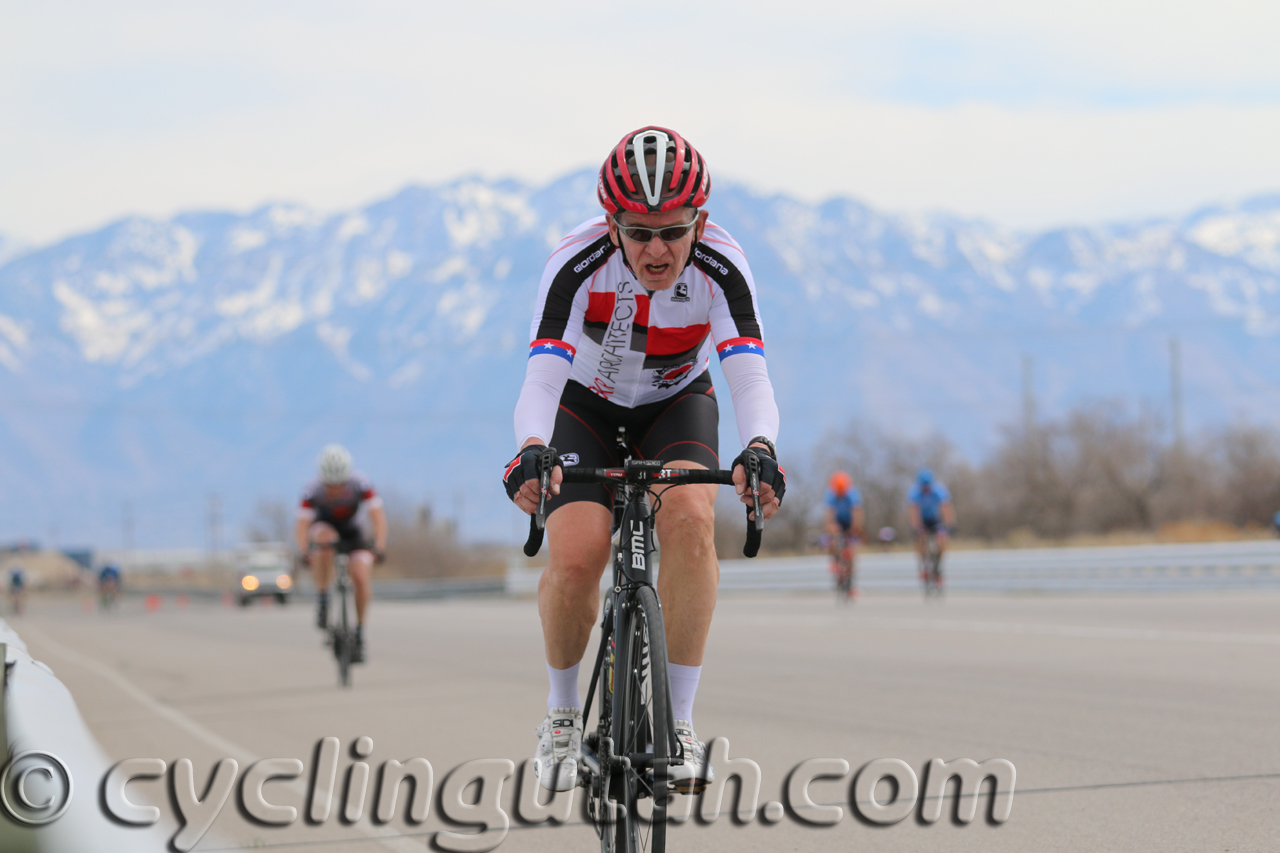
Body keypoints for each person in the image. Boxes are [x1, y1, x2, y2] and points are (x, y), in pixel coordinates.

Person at [503, 126, 785, 793]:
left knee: (691, 522)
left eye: (673, 230)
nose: (656, 248)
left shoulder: (721, 264)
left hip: (675, 403)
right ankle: (563, 715)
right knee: (576, 557)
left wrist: (762, 448)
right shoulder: (576, 263)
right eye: (638, 231)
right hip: (584, 407)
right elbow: (543, 374)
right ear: (612, 224)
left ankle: (680, 722)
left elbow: (747, 371)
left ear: (700, 222)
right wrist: (530, 452)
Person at [295, 444, 387, 664]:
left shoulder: (360, 484)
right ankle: (323, 596)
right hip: (325, 529)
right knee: (324, 541)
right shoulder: (312, 489)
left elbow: (378, 518)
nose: (335, 489)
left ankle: (359, 632)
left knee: (361, 577)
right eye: (330, 485)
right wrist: (305, 552)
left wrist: (380, 547)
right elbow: (301, 526)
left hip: (354, 533)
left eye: (340, 484)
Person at [907, 468, 955, 580]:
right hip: (922, 519)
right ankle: (923, 566)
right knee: (921, 538)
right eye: (923, 485)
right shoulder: (914, 492)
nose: (926, 488)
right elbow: (913, 511)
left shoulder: (939, 490)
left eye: (927, 485)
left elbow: (946, 508)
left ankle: (938, 568)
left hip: (936, 519)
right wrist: (915, 526)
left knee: (941, 540)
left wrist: (950, 523)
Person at [823, 471, 864, 600]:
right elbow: (829, 515)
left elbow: (857, 513)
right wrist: (832, 528)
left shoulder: (853, 494)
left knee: (852, 549)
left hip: (849, 522)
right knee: (833, 541)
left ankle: (850, 580)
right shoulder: (830, 495)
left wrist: (855, 528)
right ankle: (835, 560)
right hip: (838, 522)